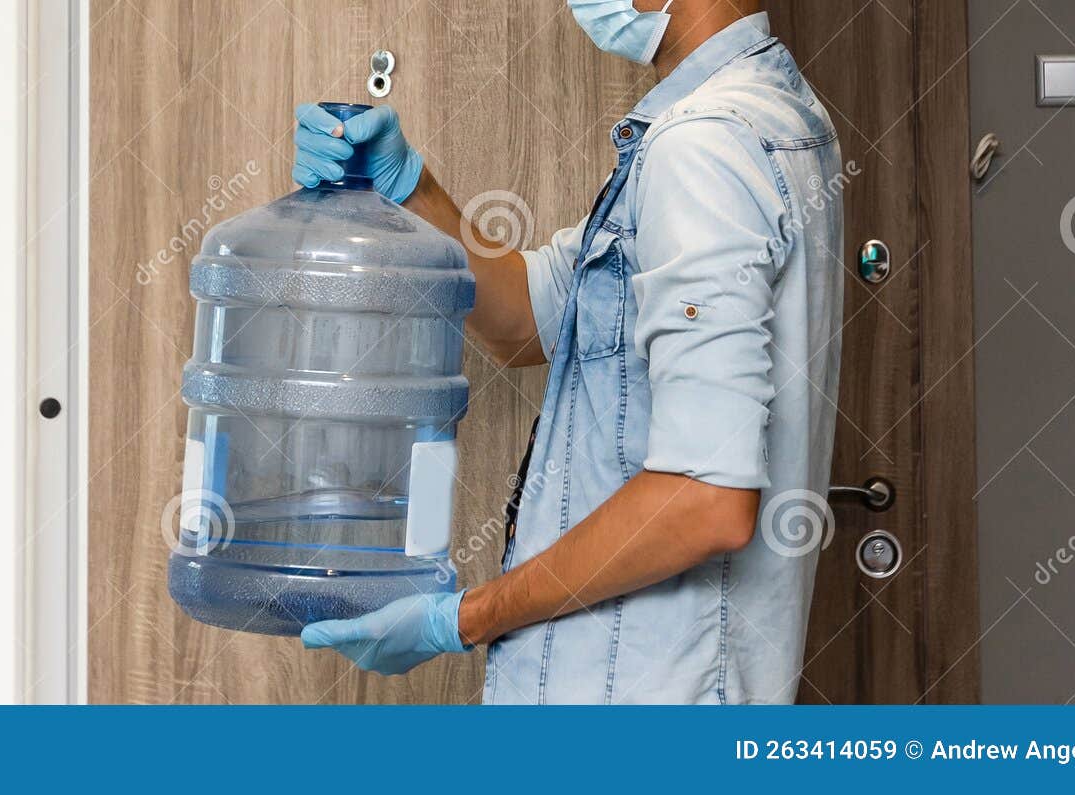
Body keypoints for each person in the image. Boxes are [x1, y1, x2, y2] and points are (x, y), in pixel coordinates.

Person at [293, 0, 846, 704]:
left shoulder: (703, 146)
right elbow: (527, 318)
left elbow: (706, 498)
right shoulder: (771, 114)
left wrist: (461, 619)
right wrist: (408, 186)